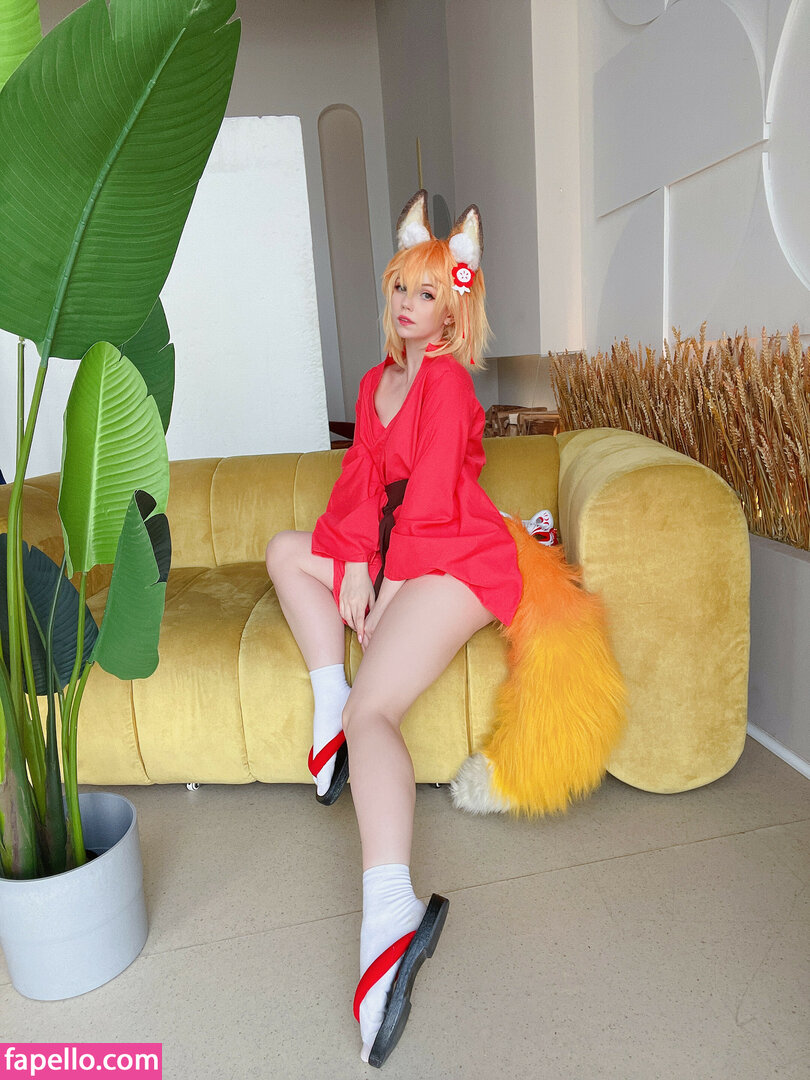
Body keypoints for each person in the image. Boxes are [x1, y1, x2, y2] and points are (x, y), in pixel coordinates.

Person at [265, 190, 523, 1067]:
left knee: (377, 714)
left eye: (428, 294)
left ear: (454, 311)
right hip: (394, 548)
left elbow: (439, 498)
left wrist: (387, 589)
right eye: (401, 290)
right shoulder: (377, 382)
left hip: (455, 556)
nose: (409, 306)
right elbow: (359, 487)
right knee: (285, 552)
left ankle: (390, 913)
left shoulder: (448, 383)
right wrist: (349, 564)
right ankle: (327, 705)